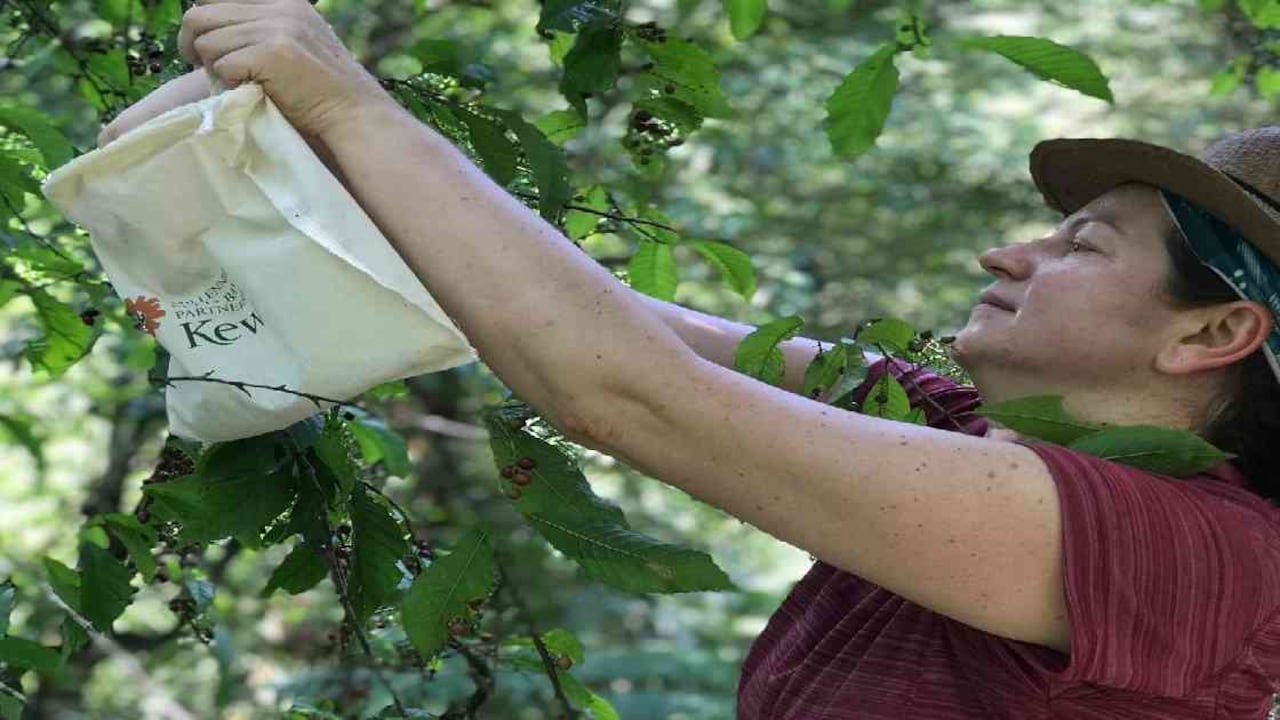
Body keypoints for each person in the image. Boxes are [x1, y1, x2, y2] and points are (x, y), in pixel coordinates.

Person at [96, 1, 1280, 717]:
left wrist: (351, 105)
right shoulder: (948, 426)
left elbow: (621, 390)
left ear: (1212, 332)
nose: (1006, 250)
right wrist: (286, 144)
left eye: (1078, 244)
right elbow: (602, 319)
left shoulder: (1193, 557)